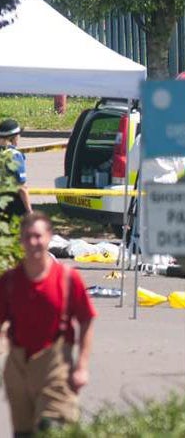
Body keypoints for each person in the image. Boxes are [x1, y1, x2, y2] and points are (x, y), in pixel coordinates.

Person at [0, 212, 97, 435]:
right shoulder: (10, 281)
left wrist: (82, 366)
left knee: (52, 429)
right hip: (18, 365)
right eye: (28, 237)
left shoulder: (67, 278)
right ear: (21, 240)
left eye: (38, 236)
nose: (33, 242)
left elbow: (87, 318)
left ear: (49, 237)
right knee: (24, 433)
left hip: (56, 365)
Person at [0, 119, 32, 220]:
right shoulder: (15, 156)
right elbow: (21, 187)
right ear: (14, 137)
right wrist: (29, 211)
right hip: (12, 207)